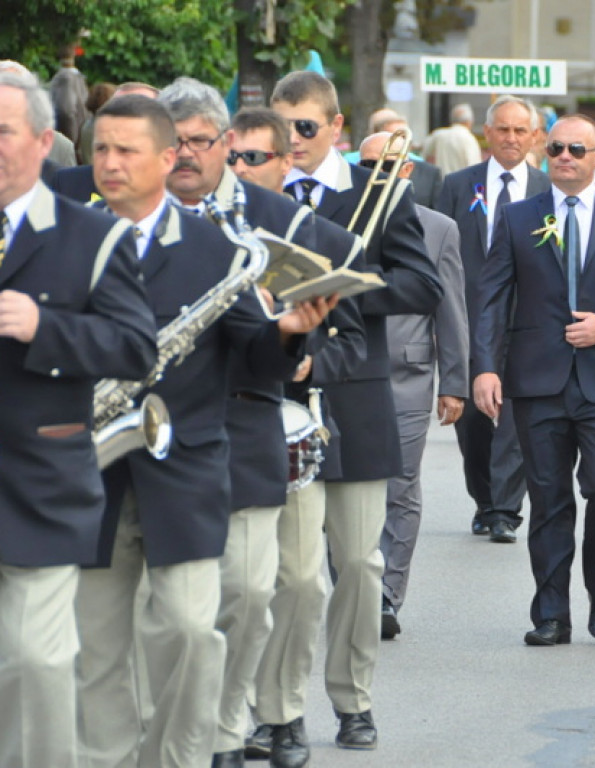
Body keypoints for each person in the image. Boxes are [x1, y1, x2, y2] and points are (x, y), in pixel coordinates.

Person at [74, 94, 336, 768]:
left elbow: (253, 353)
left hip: (183, 465)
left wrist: (287, 332)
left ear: (168, 158)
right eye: (101, 148)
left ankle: (177, 756)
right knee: (97, 647)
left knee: (192, 632)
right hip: (88, 470)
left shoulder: (223, 248)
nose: (109, 163)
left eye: (126, 150)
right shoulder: (62, 240)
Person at [270, 69, 442, 751]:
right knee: (294, 575)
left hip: (354, 397)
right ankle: (279, 710)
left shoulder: (377, 192)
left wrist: (339, 293)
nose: (294, 143)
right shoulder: (260, 194)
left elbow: (421, 284)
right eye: (283, 132)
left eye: (306, 129)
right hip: (280, 394)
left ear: (336, 127)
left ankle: (354, 700)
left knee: (361, 565)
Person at [0, 70, 157, 768]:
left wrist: (47, 328)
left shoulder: (91, 236)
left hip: (40, 480)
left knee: (38, 661)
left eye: (2, 131)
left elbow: (134, 346)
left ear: (42, 141)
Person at [473, 113, 595, 646]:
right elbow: (490, 298)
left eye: (576, 150)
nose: (565, 156)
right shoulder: (516, 218)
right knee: (549, 499)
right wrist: (485, 366)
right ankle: (551, 613)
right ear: (544, 149)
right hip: (537, 381)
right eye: (556, 147)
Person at [223, 106, 367, 768]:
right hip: (219, 427)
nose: (240, 171)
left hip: (294, 427)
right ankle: (234, 713)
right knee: (239, 588)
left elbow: (357, 342)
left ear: (286, 163)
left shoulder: (322, 240)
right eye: (234, 158)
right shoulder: (208, 234)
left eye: (254, 159)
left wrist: (310, 361)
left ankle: (281, 711)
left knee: (303, 582)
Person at [359, 131, 469, 639]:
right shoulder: (335, 219)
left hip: (408, 373)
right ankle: (354, 590)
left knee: (399, 486)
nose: (377, 173)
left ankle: (385, 595)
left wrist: (455, 381)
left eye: (389, 164)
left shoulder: (438, 228)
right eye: (367, 164)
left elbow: (450, 309)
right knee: (346, 489)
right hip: (343, 372)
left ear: (408, 170)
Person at [435, 95, 550, 542]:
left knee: (515, 414)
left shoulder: (546, 187)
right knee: (472, 422)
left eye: (521, 131)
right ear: (487, 133)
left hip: (527, 320)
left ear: (534, 136)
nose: (512, 138)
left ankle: (505, 508)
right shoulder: (459, 186)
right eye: (503, 129)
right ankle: (484, 498)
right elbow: (443, 251)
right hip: (467, 316)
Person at [423, 102, 482, 176]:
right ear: (469, 122)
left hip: (442, 182)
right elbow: (474, 166)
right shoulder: (469, 138)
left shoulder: (438, 135)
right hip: (461, 183)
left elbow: (424, 153)